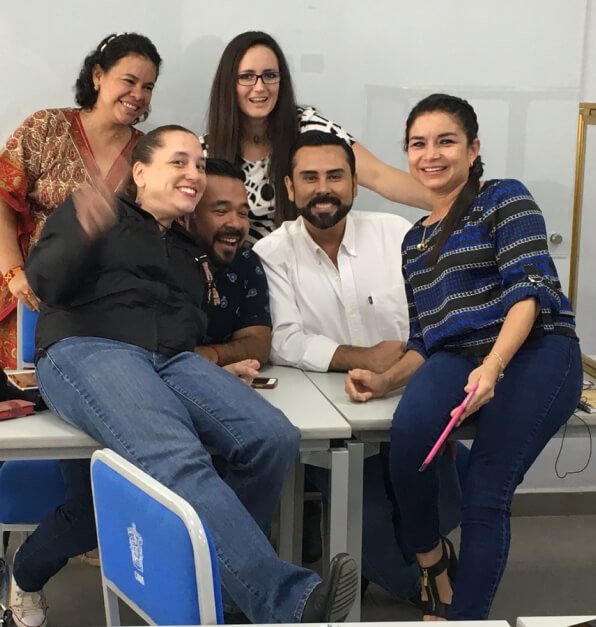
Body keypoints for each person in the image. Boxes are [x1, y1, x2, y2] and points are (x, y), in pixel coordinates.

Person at [18, 125, 358, 627]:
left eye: (199, 164)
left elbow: (190, 327)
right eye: (179, 161)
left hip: (172, 360)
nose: (194, 173)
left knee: (272, 437)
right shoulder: (95, 210)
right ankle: (286, 601)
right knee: (177, 456)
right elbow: (43, 282)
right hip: (88, 347)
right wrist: (83, 230)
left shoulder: (187, 247)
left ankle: (230, 593)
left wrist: (216, 365)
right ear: (140, 173)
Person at [345, 94, 582, 620]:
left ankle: (465, 617)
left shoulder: (504, 197)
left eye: (446, 141)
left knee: (486, 490)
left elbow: (528, 292)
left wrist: (493, 366)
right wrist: (384, 381)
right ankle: (432, 564)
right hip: (456, 354)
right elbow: (424, 340)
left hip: (536, 347)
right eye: (418, 144)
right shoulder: (414, 242)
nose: (431, 154)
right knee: (407, 440)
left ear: (473, 149)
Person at [254, 130, 463, 604]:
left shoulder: (398, 234)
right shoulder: (271, 254)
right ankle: (429, 586)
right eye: (309, 177)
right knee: (368, 536)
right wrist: (362, 357)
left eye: (335, 176)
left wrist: (413, 372)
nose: (323, 188)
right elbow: (284, 340)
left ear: (354, 183)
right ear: (289, 187)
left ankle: (427, 563)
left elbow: (437, 316)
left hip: (411, 403)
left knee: (449, 499)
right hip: (340, 420)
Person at [0, 32, 161, 370]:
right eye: (129, 81)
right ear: (98, 75)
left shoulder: (148, 153)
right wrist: (14, 273)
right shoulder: (46, 128)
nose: (138, 95)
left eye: (147, 87)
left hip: (104, 315)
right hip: (30, 297)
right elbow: (2, 198)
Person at [203, 30, 432, 243]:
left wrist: (447, 206)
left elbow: (378, 175)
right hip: (233, 268)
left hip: (301, 261)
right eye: (247, 76)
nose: (260, 87)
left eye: (270, 75)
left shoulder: (309, 127)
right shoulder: (205, 152)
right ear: (228, 83)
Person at [190, 157, 271, 374]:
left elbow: (259, 344)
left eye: (243, 213)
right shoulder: (162, 258)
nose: (235, 223)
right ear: (189, 214)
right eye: (221, 211)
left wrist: (211, 355)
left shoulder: (246, 262)